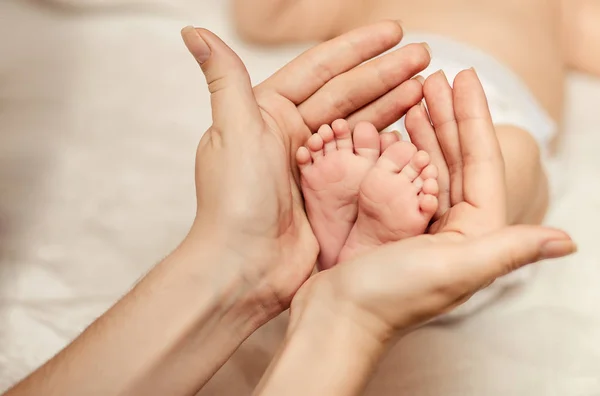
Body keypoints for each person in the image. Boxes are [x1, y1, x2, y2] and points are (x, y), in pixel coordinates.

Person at [3, 22, 575, 396]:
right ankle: (389, 223)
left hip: (455, 110)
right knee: (487, 158)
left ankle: (416, 217)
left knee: (502, 162)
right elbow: (264, 16)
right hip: (375, 107)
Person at [232, 0, 593, 313]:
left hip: (489, 121)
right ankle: (367, 226)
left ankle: (434, 217)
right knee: (340, 148)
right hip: (376, 112)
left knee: (515, 155)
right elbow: (264, 19)